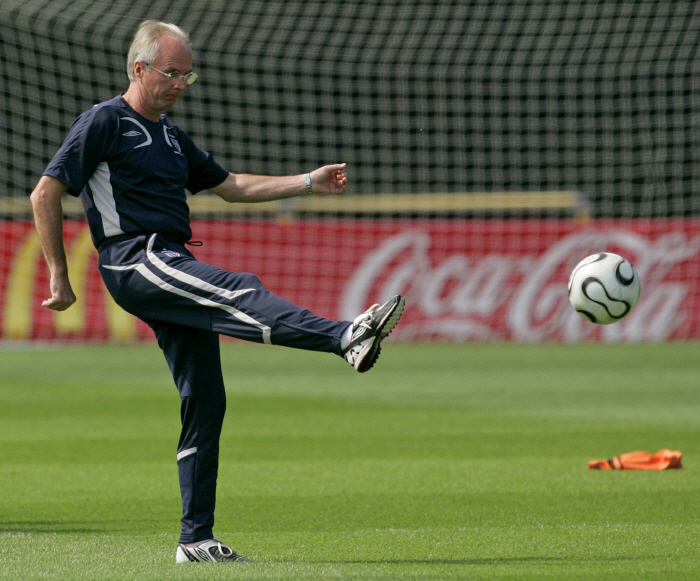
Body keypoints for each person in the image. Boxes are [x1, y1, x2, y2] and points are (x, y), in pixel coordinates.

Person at [30, 20, 404, 564]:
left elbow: (230, 186)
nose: (182, 83)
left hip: (168, 258)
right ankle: (345, 336)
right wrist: (59, 277)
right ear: (139, 69)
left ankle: (195, 540)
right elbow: (46, 193)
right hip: (136, 257)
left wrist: (307, 181)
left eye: (187, 74)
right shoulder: (104, 121)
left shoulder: (172, 135)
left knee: (205, 399)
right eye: (172, 73)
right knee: (237, 290)